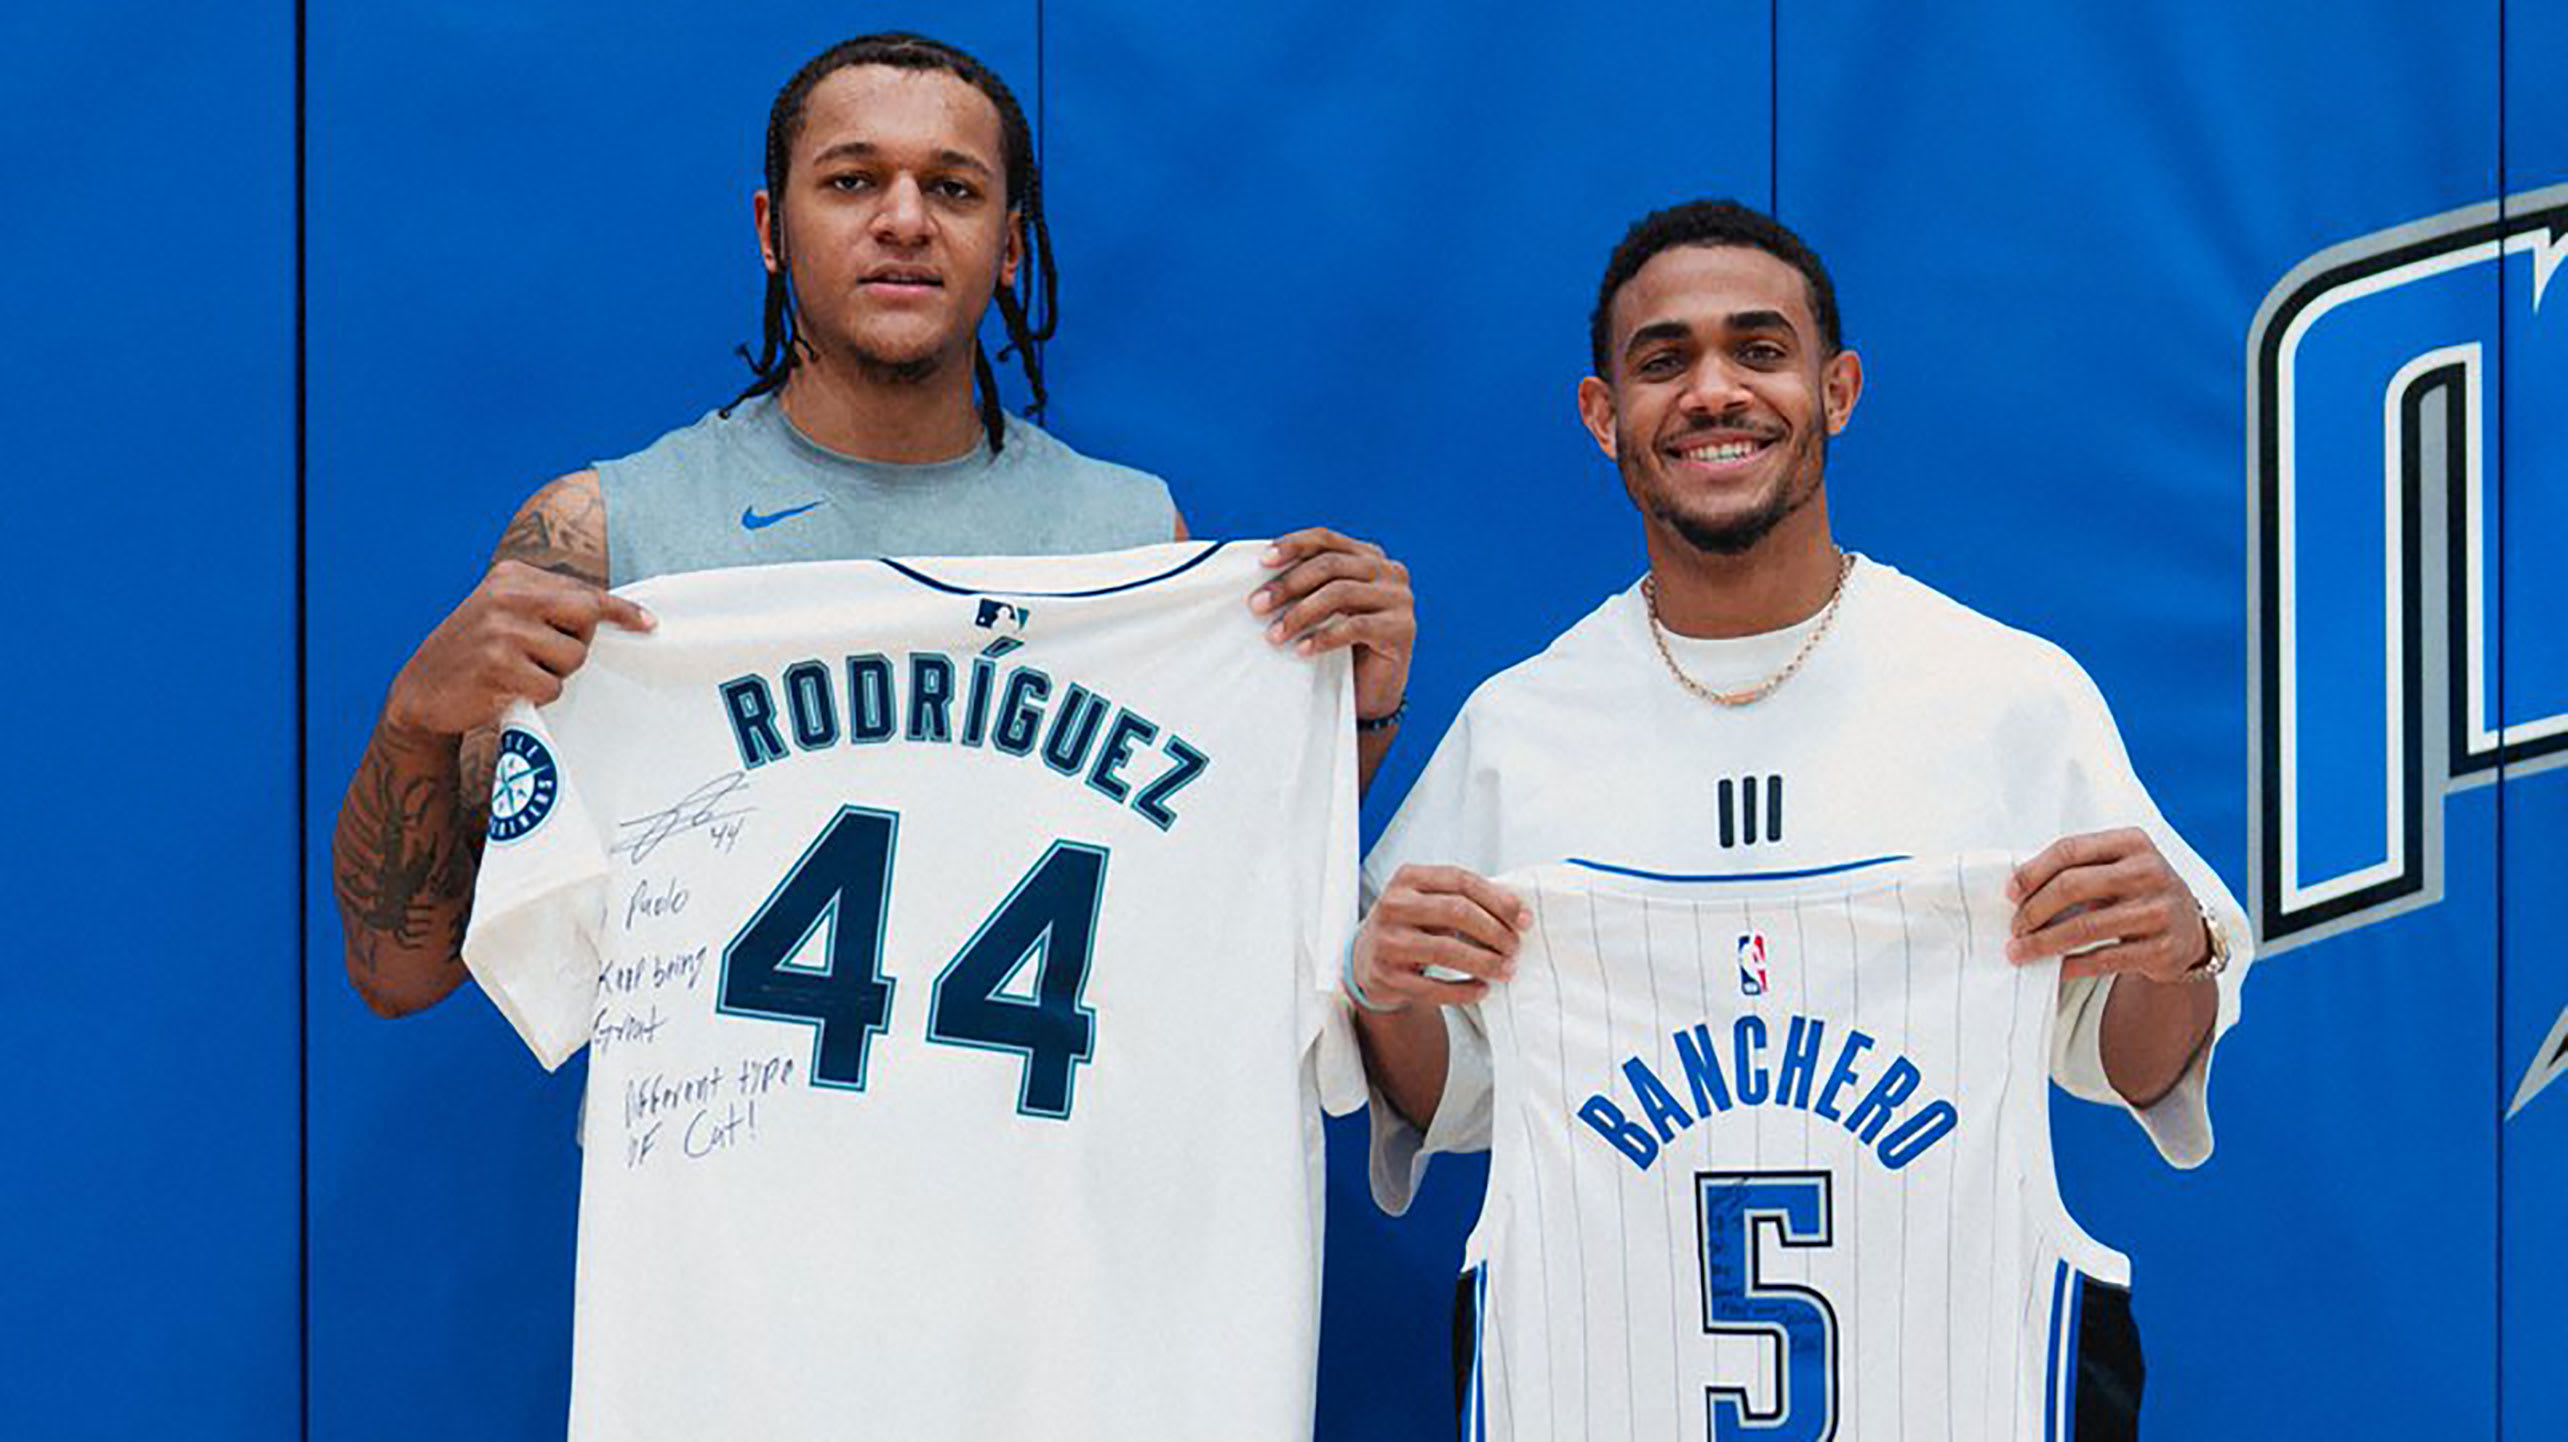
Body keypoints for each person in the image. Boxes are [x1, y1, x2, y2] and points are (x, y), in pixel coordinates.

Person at [1344, 199, 2250, 1434]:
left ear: (1837, 389)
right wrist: (1391, 988)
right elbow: (1448, 1099)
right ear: (1604, 414)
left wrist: (2174, 947)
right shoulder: (1519, 729)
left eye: (1759, 351)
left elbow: (2137, 1061)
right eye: (1664, 360)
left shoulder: (2007, 696)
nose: (1714, 390)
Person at [331, 31, 1415, 1011]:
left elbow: (1224, 888)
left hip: (1046, 1205)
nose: (904, 219)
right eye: (853, 181)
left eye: (953, 188)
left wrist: (1352, 712)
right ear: (772, 226)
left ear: (1010, 247)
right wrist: (415, 718)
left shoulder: (1130, 533)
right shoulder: (606, 531)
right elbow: (404, 970)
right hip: (717, 1211)